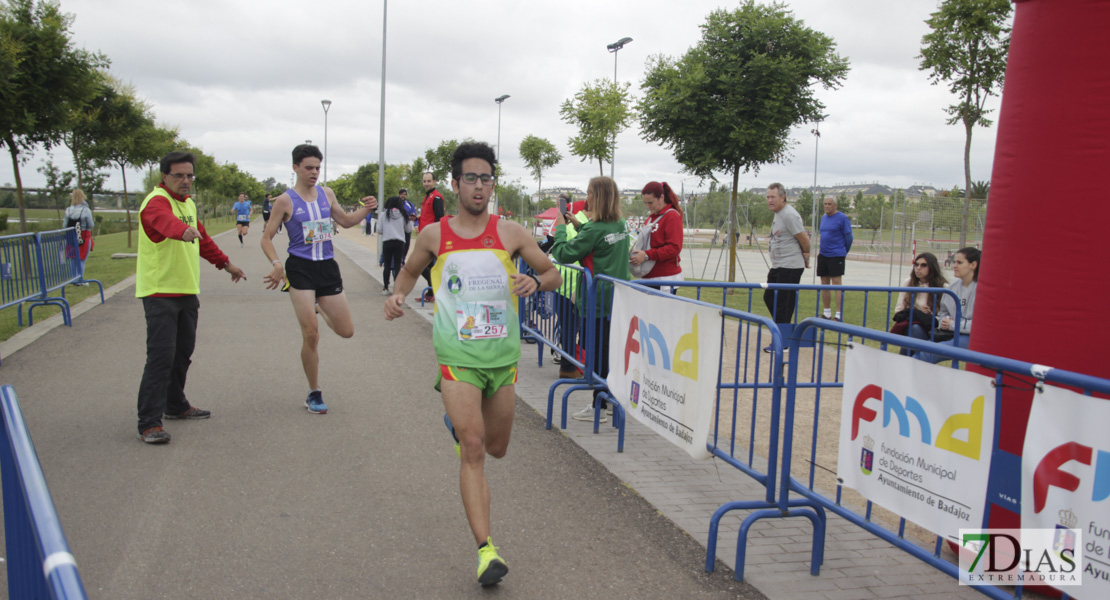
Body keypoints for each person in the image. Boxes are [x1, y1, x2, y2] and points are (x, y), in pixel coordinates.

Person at [384, 141, 560, 587]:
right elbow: (409, 270)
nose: (479, 186)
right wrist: (398, 294)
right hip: (456, 355)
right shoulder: (434, 235)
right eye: (470, 178)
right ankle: (486, 552)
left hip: (502, 358)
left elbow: (553, 273)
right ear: (455, 183)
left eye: (486, 179)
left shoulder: (511, 232)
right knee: (475, 448)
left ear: (492, 184)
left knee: (497, 447)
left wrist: (534, 281)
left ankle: (461, 430)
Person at [135, 151, 247, 444]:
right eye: (178, 175)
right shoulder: (156, 201)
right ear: (164, 176)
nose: (185, 181)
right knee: (160, 358)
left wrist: (226, 265)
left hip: (186, 291)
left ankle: (175, 405)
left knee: (182, 354)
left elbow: (204, 240)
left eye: (189, 175)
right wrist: (182, 231)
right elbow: (162, 223)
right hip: (159, 292)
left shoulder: (189, 204)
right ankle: (149, 423)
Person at [260, 144, 378, 415]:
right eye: (309, 168)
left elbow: (347, 222)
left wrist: (368, 209)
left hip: (327, 267)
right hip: (300, 269)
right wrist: (277, 264)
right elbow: (266, 237)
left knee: (346, 331)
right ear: (296, 168)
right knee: (311, 335)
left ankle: (318, 306)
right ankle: (314, 392)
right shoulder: (285, 201)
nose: (314, 172)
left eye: (317, 168)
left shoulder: (327, 194)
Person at [550, 176, 630, 423]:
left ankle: (600, 404)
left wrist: (561, 227)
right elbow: (598, 239)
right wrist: (578, 223)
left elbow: (562, 253)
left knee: (595, 352)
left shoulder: (596, 228)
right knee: (608, 351)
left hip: (595, 301)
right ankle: (606, 401)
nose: (586, 198)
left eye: (589, 193)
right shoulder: (620, 224)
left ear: (600, 197)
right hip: (616, 299)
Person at [910, 247, 979, 363]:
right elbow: (943, 312)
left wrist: (952, 324)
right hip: (950, 332)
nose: (954, 266)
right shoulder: (953, 287)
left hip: (970, 337)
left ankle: (904, 373)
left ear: (973, 265)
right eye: (954, 262)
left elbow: (979, 326)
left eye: (959, 263)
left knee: (927, 353)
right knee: (918, 345)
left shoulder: (982, 290)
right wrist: (943, 320)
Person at [763, 183, 810, 338]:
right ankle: (781, 332)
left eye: (773, 197)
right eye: (768, 197)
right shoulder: (778, 213)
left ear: (782, 197)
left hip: (790, 266)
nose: (769, 200)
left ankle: (783, 340)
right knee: (769, 297)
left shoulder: (789, 215)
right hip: (779, 265)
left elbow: (804, 239)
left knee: (784, 304)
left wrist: (806, 255)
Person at [630, 181, 684, 292]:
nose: (648, 206)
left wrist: (646, 255)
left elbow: (674, 248)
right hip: (648, 276)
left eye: (650, 202)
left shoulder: (671, 216)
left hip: (664, 278)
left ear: (661, 197)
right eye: (645, 203)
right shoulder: (651, 218)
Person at [891, 252, 948, 348]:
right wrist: (916, 312)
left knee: (915, 333)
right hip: (912, 324)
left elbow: (947, 315)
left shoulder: (944, 287)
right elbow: (899, 311)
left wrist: (931, 313)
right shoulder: (908, 282)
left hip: (933, 327)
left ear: (932, 267)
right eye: (916, 264)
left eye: (923, 265)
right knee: (915, 329)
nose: (918, 268)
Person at [817, 195, 853, 320]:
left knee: (837, 284)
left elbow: (849, 237)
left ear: (835, 205)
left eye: (830, 204)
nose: (827, 206)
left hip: (836, 255)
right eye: (825, 204)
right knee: (824, 283)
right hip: (823, 255)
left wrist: (843, 251)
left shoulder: (842, 218)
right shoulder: (823, 218)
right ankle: (827, 312)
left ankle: (838, 314)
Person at [418, 172, 446, 302]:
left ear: (434, 181)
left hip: (432, 239)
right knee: (427, 266)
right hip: (424, 237)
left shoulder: (436, 198)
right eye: (424, 181)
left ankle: (434, 290)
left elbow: (439, 218)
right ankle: (431, 292)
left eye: (429, 181)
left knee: (422, 266)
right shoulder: (427, 196)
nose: (426, 184)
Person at [378, 195, 411, 294]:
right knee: (397, 265)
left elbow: (379, 230)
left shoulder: (384, 215)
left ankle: (385, 288)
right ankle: (397, 288)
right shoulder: (403, 214)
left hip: (387, 241)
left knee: (387, 265)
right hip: (399, 242)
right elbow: (408, 229)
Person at [64, 188, 95, 284]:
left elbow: (64, 225)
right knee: (82, 259)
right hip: (83, 236)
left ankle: (73, 279)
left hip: (71, 236)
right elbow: (91, 225)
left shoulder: (68, 210)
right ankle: (80, 279)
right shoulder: (86, 210)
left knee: (73, 258)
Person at [400, 188, 416, 264]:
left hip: (407, 227)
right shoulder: (396, 203)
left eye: (404, 194)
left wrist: (415, 223)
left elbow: (414, 214)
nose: (403, 196)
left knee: (407, 244)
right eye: (401, 194)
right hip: (399, 228)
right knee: (400, 244)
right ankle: (399, 260)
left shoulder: (409, 204)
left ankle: (403, 259)